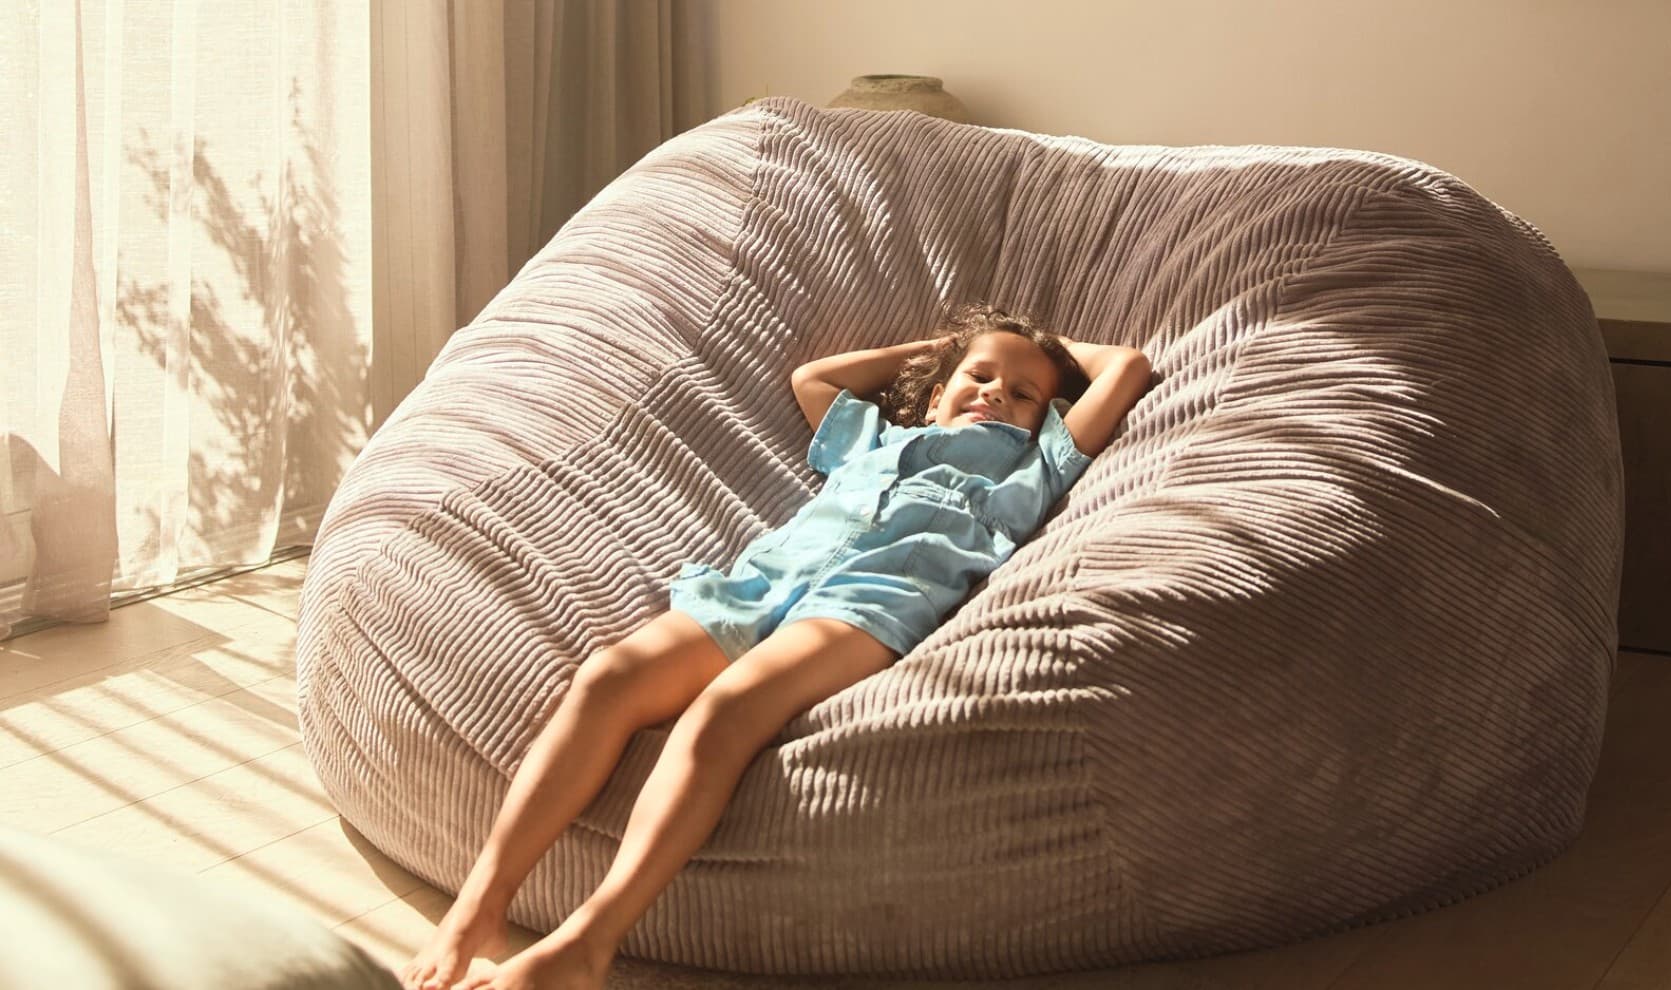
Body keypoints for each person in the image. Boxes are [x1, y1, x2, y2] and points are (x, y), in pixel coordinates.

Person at [401, 304, 1152, 990]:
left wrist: (1043, 356)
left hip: (866, 605)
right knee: (607, 678)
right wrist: (950, 349)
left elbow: (1127, 367)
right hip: (760, 584)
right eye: (979, 378)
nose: (995, 393)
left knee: (722, 715)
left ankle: (587, 943)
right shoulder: (876, 437)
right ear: (933, 393)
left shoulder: (1033, 466)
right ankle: (479, 908)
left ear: (1043, 416)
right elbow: (812, 377)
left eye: (1021, 394)